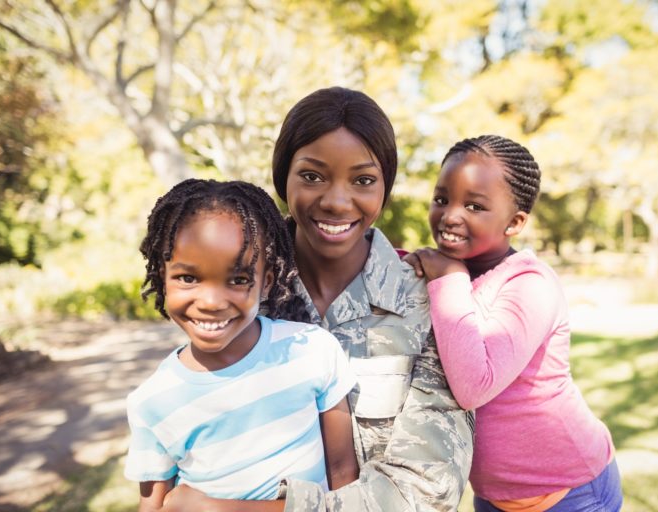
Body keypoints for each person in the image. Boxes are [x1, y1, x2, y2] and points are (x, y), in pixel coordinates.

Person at [162, 87, 474, 512]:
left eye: (363, 180)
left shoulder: (426, 303)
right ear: (283, 178)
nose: (336, 201)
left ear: (385, 188)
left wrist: (227, 510)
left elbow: (426, 492)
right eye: (312, 176)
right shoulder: (239, 294)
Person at [405, 134, 622, 512]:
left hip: (570, 492)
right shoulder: (443, 272)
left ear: (515, 222)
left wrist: (449, 277)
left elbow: (474, 385)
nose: (451, 215)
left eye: (474, 206)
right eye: (441, 199)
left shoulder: (529, 284)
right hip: (492, 496)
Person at [125, 179, 358, 511]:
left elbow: (344, 478)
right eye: (188, 278)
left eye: (238, 279)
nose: (211, 302)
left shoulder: (313, 351)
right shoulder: (152, 402)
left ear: (267, 283)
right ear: (162, 277)